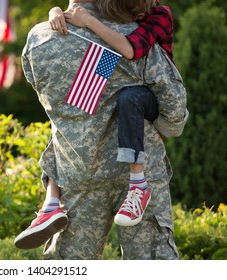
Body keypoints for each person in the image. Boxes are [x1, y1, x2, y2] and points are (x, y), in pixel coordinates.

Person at [17, 0, 188, 259]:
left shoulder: (39, 38)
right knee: (152, 262)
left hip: (76, 169)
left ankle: (50, 204)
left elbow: (47, 97)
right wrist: (160, 127)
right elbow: (174, 110)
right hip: (139, 173)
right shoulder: (130, 36)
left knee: (70, 264)